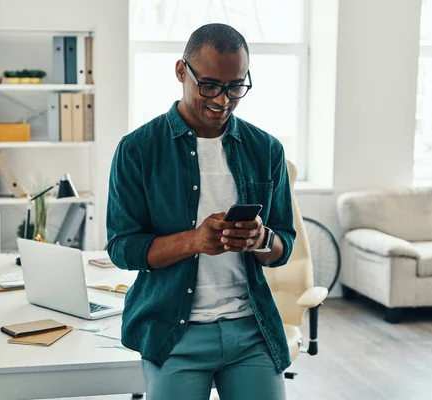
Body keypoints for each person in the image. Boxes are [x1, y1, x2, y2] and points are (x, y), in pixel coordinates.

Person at [106, 23, 296, 400]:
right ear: (181, 72)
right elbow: (122, 248)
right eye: (208, 85)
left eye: (236, 87)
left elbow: (284, 244)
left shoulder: (267, 150)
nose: (223, 100)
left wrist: (262, 239)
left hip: (251, 331)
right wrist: (194, 241)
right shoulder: (138, 150)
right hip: (174, 333)